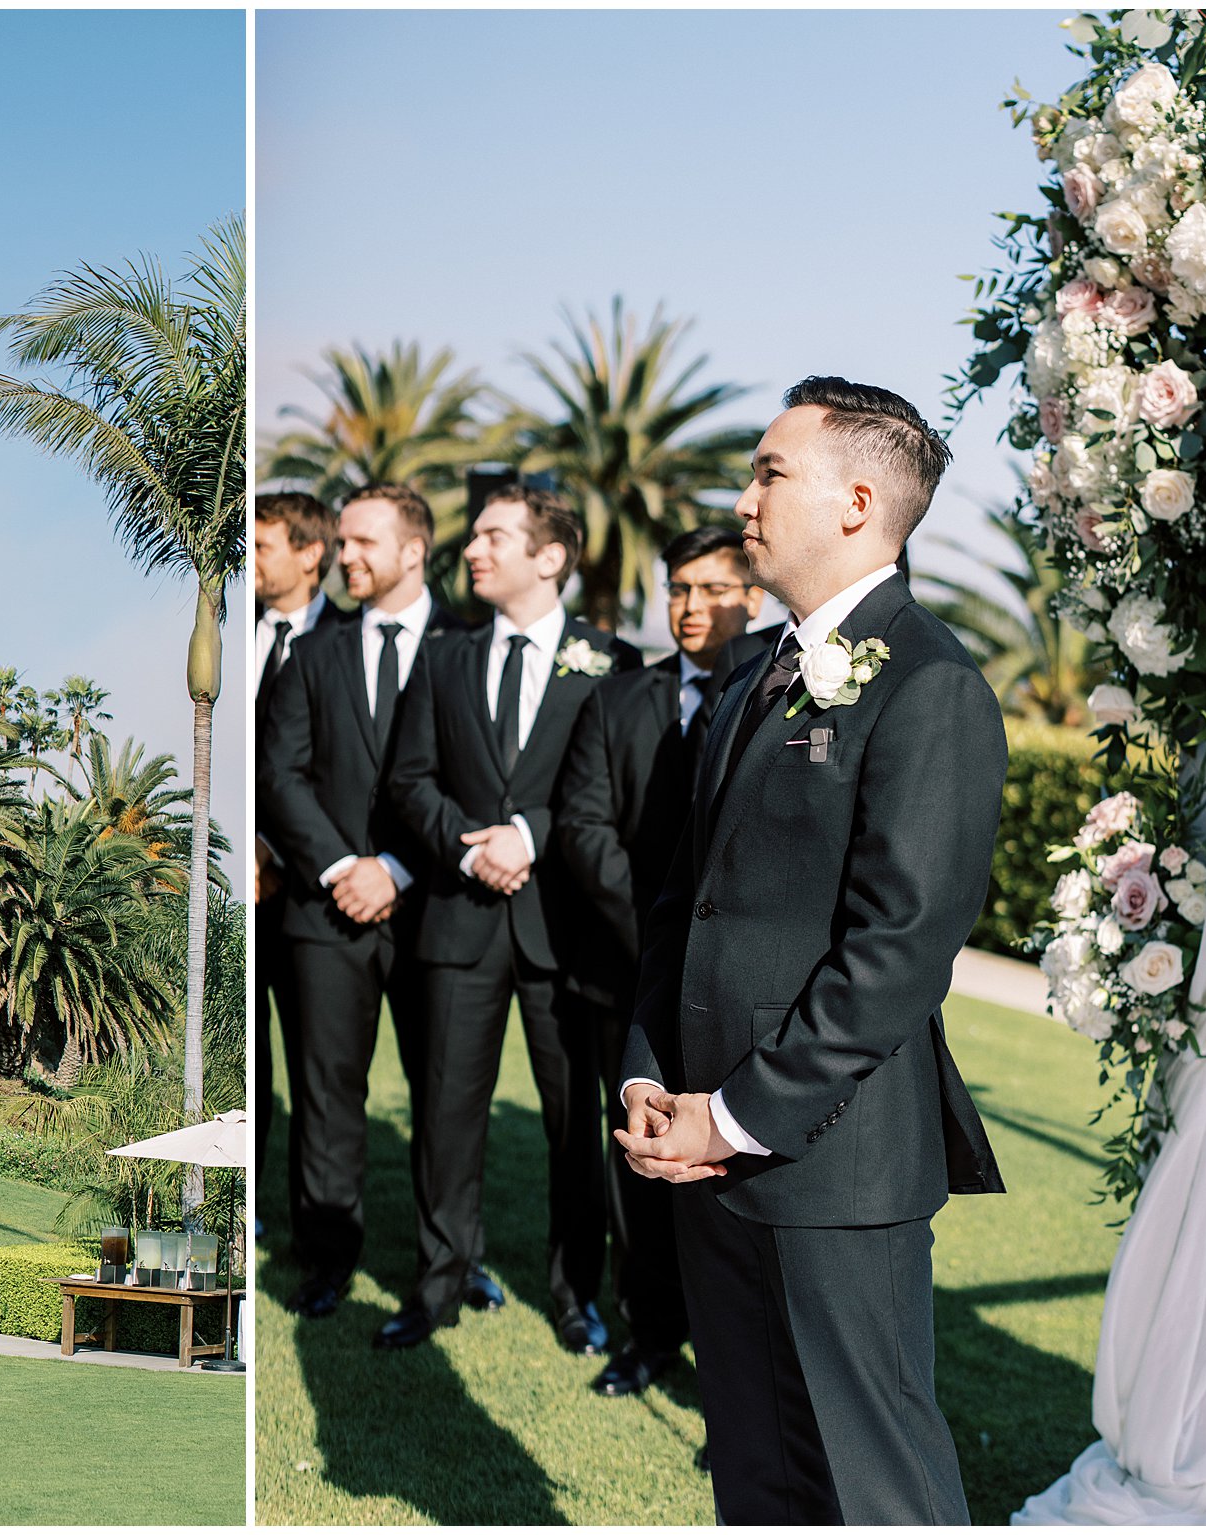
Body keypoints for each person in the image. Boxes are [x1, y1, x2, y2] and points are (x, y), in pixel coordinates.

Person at [616, 377, 1005, 1524]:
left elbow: (895, 951)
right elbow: (681, 901)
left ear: (854, 498)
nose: (742, 498)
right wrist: (646, 1074)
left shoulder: (930, 685)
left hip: (829, 1169)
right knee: (756, 1475)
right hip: (698, 1153)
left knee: (871, 1484)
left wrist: (732, 1115)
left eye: (766, 471)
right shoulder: (746, 681)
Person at [382, 485, 642, 1354]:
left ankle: (576, 1295)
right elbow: (408, 780)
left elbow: (610, 794)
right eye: (475, 535)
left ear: (551, 556)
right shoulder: (443, 659)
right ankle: (441, 1282)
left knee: (575, 1124)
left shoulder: (612, 662)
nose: (474, 550)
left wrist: (532, 834)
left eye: (495, 535)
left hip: (563, 931)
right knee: (446, 1114)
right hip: (457, 925)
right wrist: (468, 846)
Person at [554, 524, 763, 1399]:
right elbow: (581, 825)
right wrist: (659, 940)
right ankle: (648, 1332)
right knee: (638, 1163)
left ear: (751, 597)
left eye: (712, 588)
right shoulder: (618, 698)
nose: (690, 606)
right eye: (679, 588)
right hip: (629, 973)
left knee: (735, 1177)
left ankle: (736, 1370)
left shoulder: (774, 697)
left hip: (740, 990)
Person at [258, 482, 459, 1319]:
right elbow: (281, 774)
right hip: (324, 908)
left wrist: (400, 869)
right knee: (327, 1094)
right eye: (341, 542)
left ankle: (447, 1268)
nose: (347, 557)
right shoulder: (313, 652)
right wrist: (345, 865)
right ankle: (326, 1261)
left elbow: (483, 779)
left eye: (364, 543)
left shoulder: (470, 645)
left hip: (439, 907)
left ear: (413, 550)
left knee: (444, 1097)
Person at [253, 491, 341, 1236]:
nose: (250, 559)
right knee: (252, 1072)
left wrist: (280, 850)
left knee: (320, 1073)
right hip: (242, 894)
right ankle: (245, 1218)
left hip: (316, 892)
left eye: (263, 545)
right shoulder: (235, 631)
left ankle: (316, 1237)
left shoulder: (349, 640)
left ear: (310, 553)